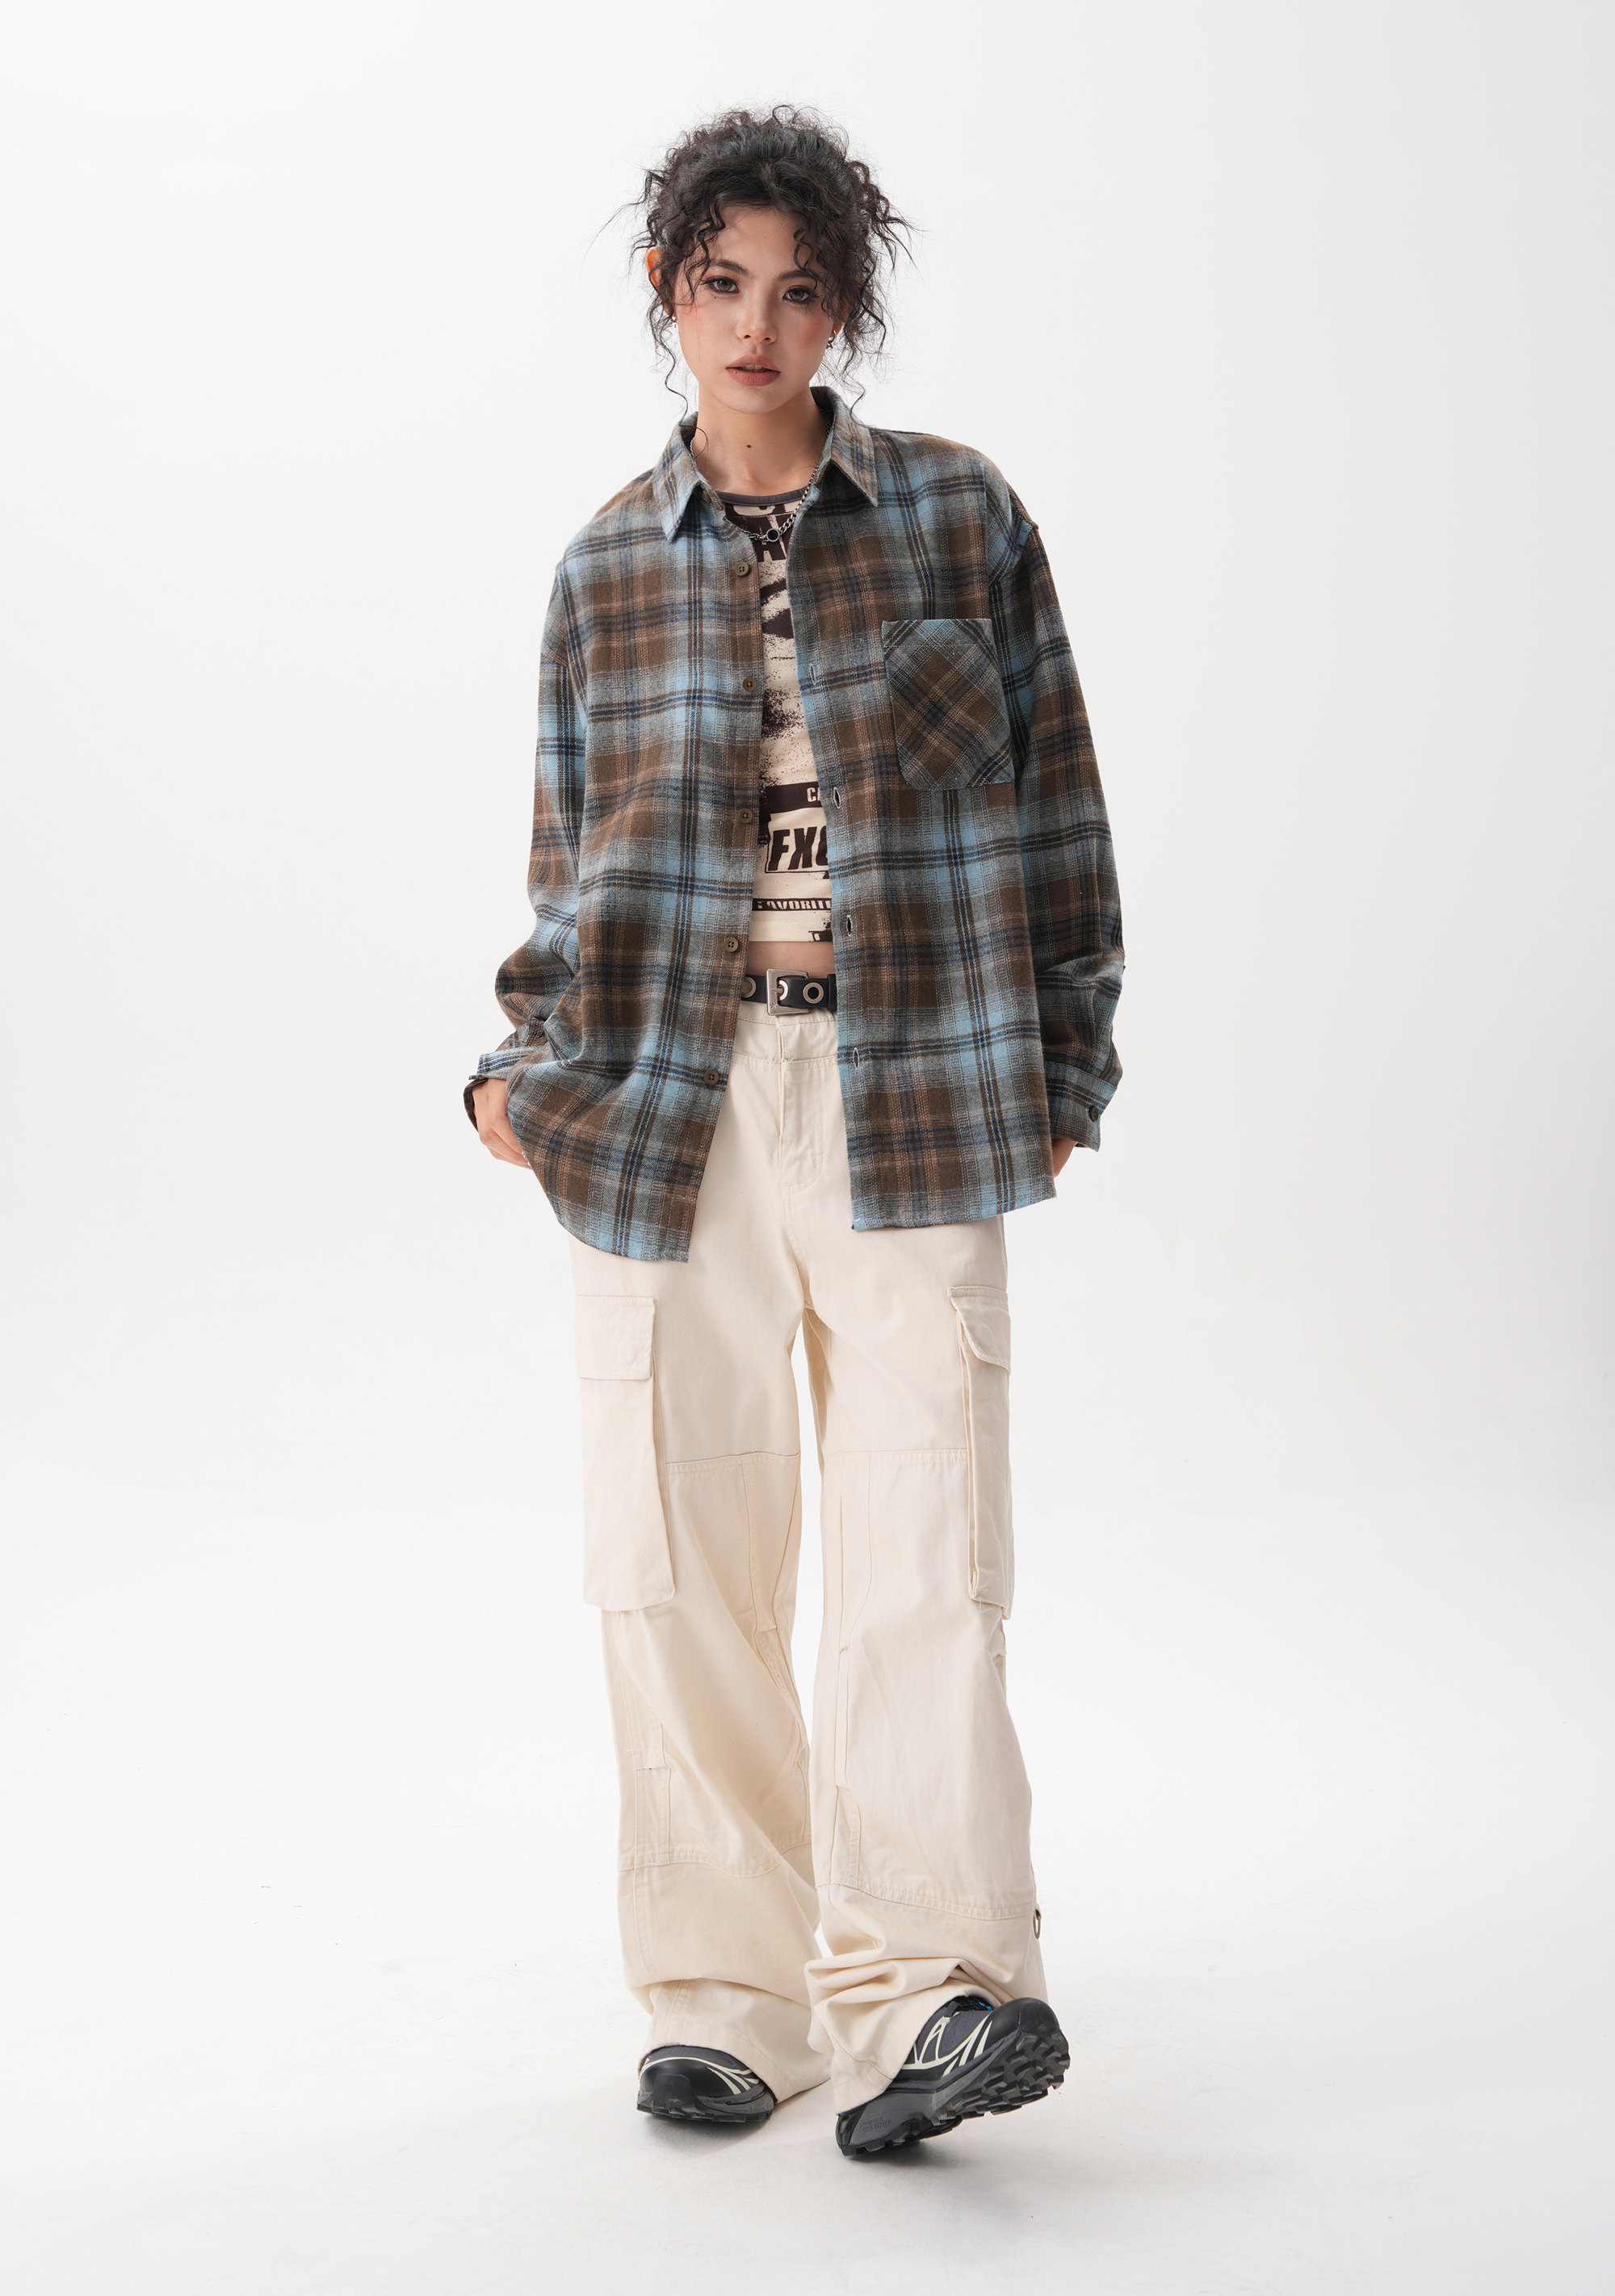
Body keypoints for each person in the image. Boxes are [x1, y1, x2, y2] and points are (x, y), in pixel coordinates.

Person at [466, 106, 1123, 2160]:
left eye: (802, 288)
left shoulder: (958, 515)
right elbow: (571, 860)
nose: (758, 324)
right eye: (721, 282)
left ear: (846, 312)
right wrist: (518, 1067)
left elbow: (1059, 809)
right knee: (675, 1553)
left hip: (914, 1082)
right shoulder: (603, 562)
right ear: (669, 295)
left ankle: (935, 1996)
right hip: (662, 1102)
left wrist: (1067, 1070)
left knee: (927, 1545)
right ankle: (729, 2000)